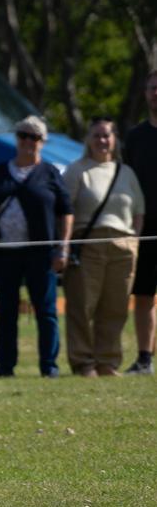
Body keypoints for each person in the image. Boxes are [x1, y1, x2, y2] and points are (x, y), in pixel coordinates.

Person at [0, 115, 73, 377]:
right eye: (23, 135)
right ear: (16, 139)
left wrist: (64, 247)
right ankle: (5, 366)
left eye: (35, 137)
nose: (28, 141)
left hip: (40, 253)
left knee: (46, 312)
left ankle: (49, 367)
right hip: (5, 252)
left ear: (43, 142)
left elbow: (66, 212)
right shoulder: (0, 172)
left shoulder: (49, 173)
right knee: (7, 311)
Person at [62, 118, 145, 377]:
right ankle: (83, 362)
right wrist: (65, 246)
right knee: (82, 305)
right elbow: (65, 210)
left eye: (107, 135)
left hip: (123, 246)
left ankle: (107, 361)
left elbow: (138, 210)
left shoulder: (126, 172)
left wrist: (134, 240)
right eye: (96, 135)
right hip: (89, 244)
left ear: (115, 139)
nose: (102, 140)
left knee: (115, 307)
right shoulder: (77, 170)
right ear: (88, 139)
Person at [124, 70, 157, 375]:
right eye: (152, 88)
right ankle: (145, 358)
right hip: (145, 230)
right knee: (144, 295)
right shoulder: (135, 138)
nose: (155, 93)